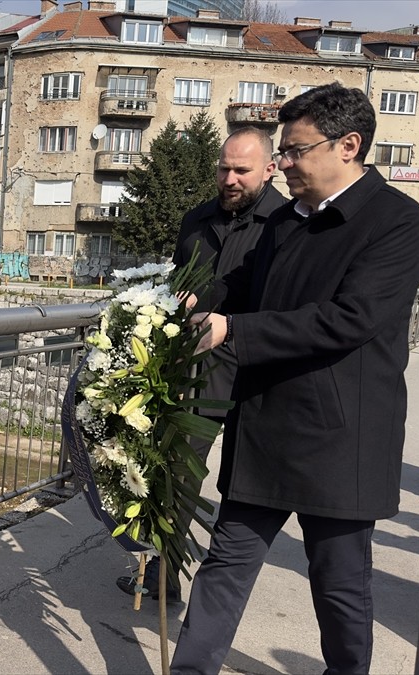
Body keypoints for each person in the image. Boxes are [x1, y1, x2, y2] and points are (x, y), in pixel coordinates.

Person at [172, 83, 419, 674]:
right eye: (282, 153)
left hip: (341, 438)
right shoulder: (285, 220)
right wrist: (179, 306)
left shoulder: (397, 222)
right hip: (265, 425)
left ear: (348, 146)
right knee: (225, 565)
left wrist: (233, 330)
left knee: (339, 585)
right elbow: (244, 289)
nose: (283, 163)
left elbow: (351, 319)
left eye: (293, 151)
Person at [114, 126, 287, 603]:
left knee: (247, 488)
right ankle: (162, 578)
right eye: (223, 168)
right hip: (199, 368)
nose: (230, 179)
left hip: (263, 371)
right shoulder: (196, 219)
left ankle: (221, 590)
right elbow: (175, 282)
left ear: (270, 169)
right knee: (177, 473)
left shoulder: (288, 223)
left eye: (241, 170)